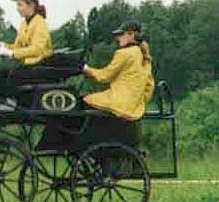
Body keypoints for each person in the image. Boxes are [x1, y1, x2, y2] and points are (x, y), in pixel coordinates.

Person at [37, 20, 155, 150]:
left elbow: (104, 76)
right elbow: (149, 86)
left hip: (118, 102)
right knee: (84, 102)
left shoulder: (125, 54)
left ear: (131, 34)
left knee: (79, 103)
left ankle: (63, 141)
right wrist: (138, 102)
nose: (117, 38)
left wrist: (85, 68)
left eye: (121, 35)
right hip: (132, 107)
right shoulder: (145, 58)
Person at [0, 0, 53, 107]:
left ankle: (12, 104)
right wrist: (3, 46)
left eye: (20, 5)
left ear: (31, 5)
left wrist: (11, 54)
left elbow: (37, 49)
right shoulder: (24, 24)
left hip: (40, 66)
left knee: (13, 76)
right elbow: (17, 47)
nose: (17, 8)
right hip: (28, 66)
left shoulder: (40, 23)